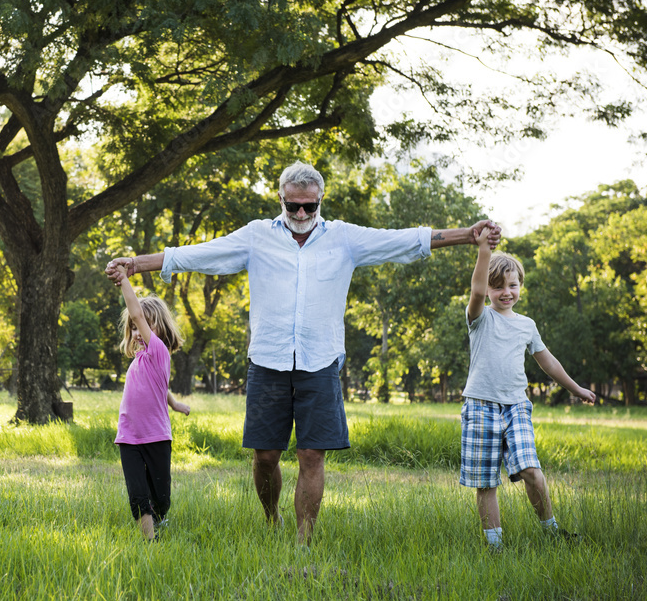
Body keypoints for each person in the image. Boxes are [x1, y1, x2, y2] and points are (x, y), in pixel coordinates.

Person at [106, 160, 501, 544]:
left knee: (312, 456)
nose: (300, 212)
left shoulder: (343, 237)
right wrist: (139, 264)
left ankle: (303, 540)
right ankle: (271, 516)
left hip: (320, 360)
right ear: (280, 198)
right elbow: (202, 254)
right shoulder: (257, 235)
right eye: (292, 204)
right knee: (265, 457)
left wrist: (468, 235)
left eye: (309, 205)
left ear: (320, 200)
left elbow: (403, 240)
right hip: (267, 359)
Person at [461, 226, 596, 552]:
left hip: (516, 406)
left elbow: (547, 362)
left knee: (531, 471)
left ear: (521, 286)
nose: (505, 292)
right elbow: (476, 291)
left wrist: (576, 389)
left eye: (512, 285)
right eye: (498, 287)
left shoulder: (527, 325)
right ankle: (495, 547)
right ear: (490, 291)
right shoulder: (479, 318)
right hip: (480, 405)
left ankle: (551, 530)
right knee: (486, 482)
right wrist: (484, 250)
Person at [114, 261, 191, 541]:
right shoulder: (138, 361)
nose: (138, 330)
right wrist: (175, 403)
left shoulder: (159, 352)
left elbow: (136, 312)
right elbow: (158, 388)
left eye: (144, 325)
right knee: (138, 493)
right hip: (128, 436)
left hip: (156, 436)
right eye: (133, 328)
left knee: (161, 496)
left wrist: (124, 279)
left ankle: (160, 519)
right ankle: (149, 542)